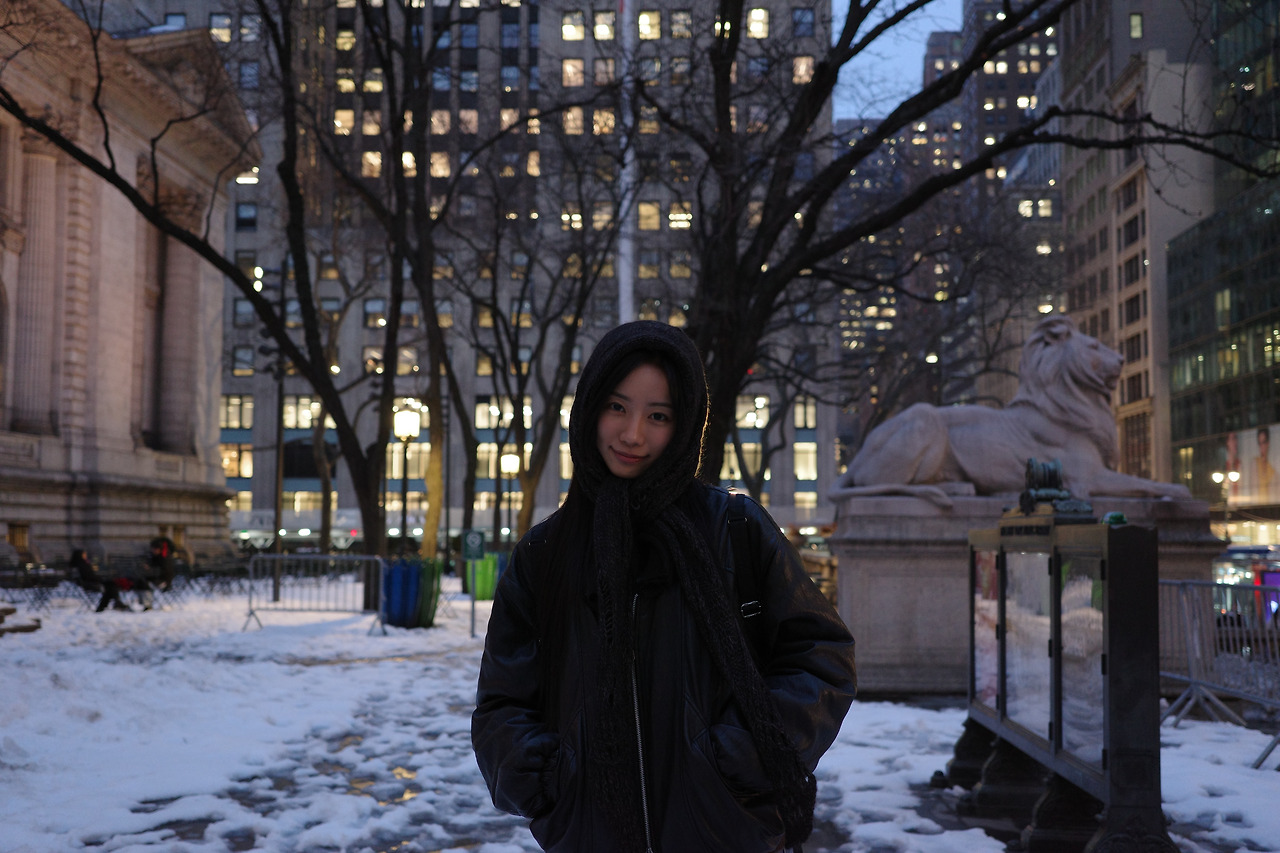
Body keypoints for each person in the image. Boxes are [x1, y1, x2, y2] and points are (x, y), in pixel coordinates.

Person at [472, 321, 858, 853]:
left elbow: (820, 655)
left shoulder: (734, 530)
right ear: (589, 410)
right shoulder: (544, 554)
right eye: (617, 407)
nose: (633, 434)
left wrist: (742, 756)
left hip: (724, 835)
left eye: (658, 416)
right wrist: (545, 778)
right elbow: (503, 702)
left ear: (685, 427)